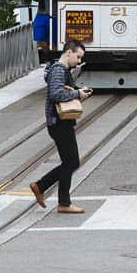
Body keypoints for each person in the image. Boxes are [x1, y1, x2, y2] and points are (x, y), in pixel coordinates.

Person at [29, 40, 91, 214]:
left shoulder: (62, 70)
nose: (79, 61)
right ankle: (60, 200)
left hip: (61, 122)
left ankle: (44, 189)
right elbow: (55, 93)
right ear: (68, 52)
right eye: (78, 57)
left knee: (70, 162)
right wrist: (77, 93)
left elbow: (62, 90)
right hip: (59, 122)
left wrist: (80, 92)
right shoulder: (58, 69)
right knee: (71, 162)